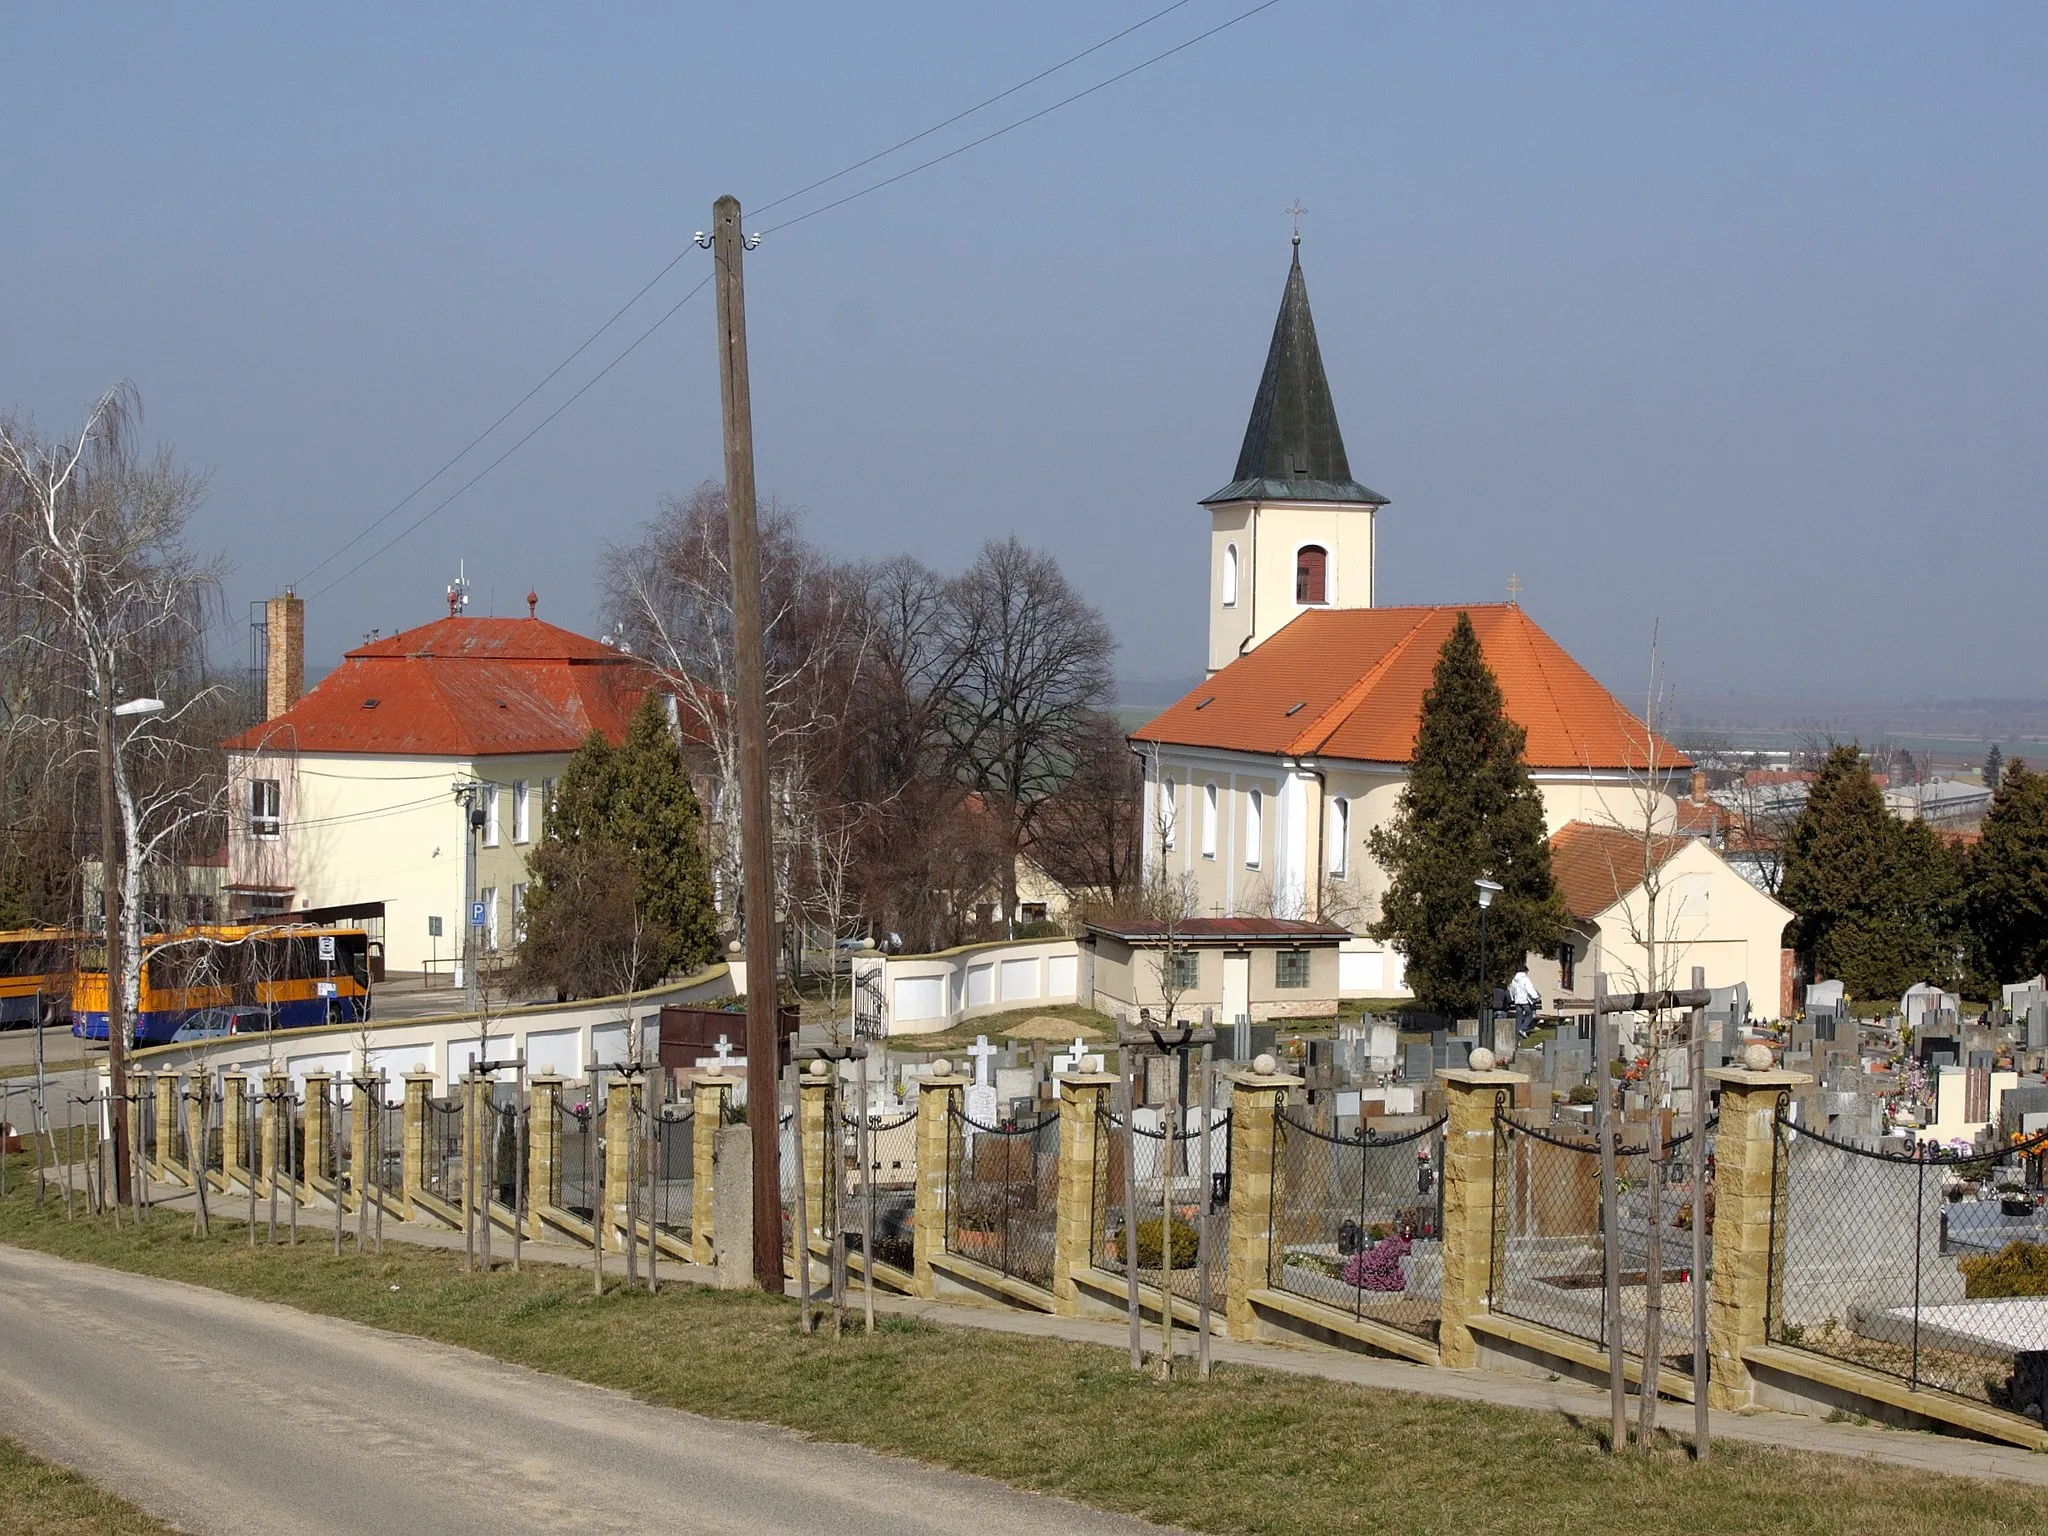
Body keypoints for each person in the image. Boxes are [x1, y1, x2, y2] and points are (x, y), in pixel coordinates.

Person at [1508, 966, 1541, 1038]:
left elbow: (1512, 990)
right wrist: (1535, 996)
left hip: (1517, 1001)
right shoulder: (1525, 979)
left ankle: (1517, 1034)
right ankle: (1523, 1029)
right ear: (1525, 971)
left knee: (1519, 1017)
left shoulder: (1514, 980)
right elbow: (1529, 988)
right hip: (1525, 1001)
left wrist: (1513, 997)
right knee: (1529, 1015)